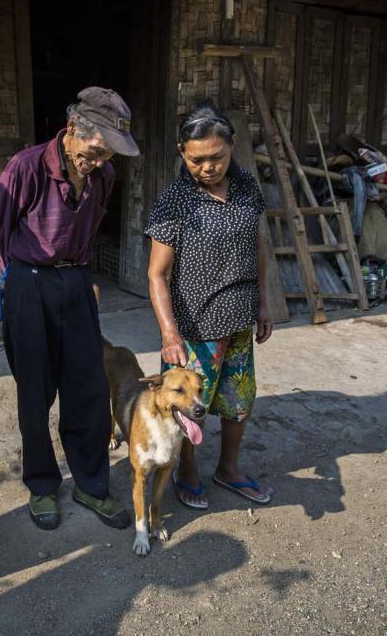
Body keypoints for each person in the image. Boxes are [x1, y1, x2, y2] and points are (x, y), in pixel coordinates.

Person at [0, 87, 140, 531]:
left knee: (89, 385)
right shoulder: (26, 166)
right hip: (28, 281)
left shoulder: (103, 177)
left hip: (76, 280)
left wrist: (78, 277)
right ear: (73, 129)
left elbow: (90, 227)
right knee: (35, 390)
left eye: (109, 155)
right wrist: (20, 285)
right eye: (95, 151)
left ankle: (91, 484)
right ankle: (41, 484)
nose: (99, 162)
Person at [145, 103, 275, 511]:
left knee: (239, 400)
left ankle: (229, 469)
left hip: (239, 319)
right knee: (189, 407)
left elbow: (258, 247)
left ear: (232, 146)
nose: (207, 167)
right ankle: (187, 471)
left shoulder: (246, 188)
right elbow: (156, 275)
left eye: (217, 157)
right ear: (181, 151)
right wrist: (169, 333)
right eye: (196, 159)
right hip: (194, 328)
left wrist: (264, 303)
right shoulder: (175, 202)